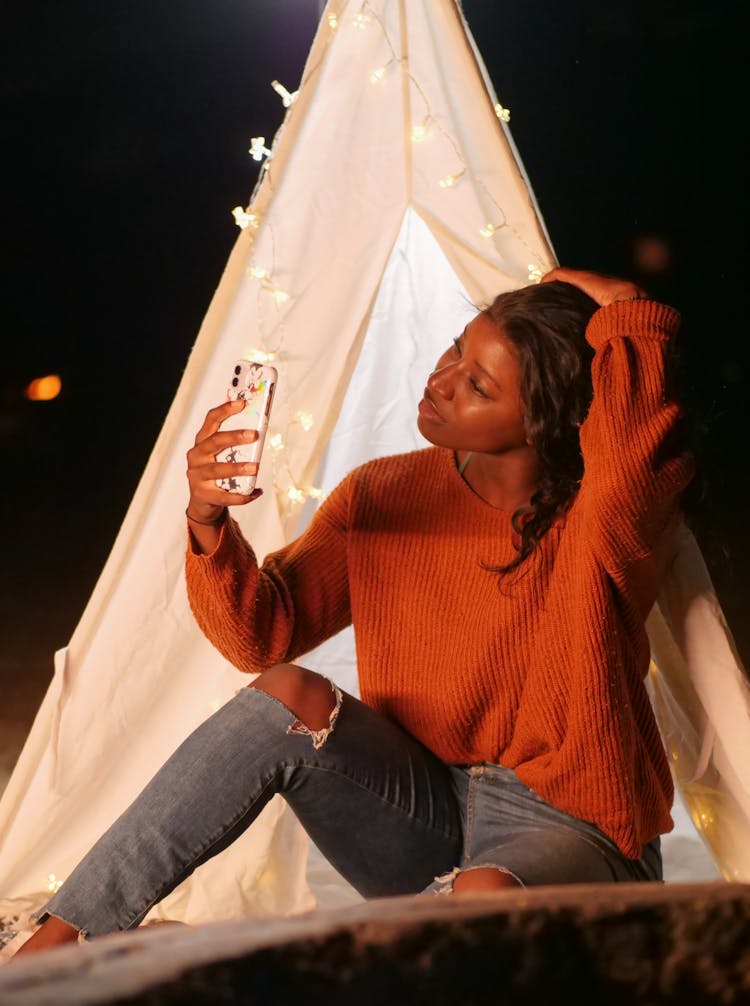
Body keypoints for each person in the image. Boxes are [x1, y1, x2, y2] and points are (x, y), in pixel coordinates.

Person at [14, 267, 694, 956]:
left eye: (479, 385)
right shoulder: (382, 494)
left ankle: (344, 970)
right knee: (285, 695)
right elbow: (260, 637)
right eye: (457, 349)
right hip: (423, 809)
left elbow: (637, 449)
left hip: (571, 829)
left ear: (543, 421)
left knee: (481, 894)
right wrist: (207, 515)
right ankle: (56, 943)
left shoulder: (605, 521)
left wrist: (628, 310)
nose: (443, 378)